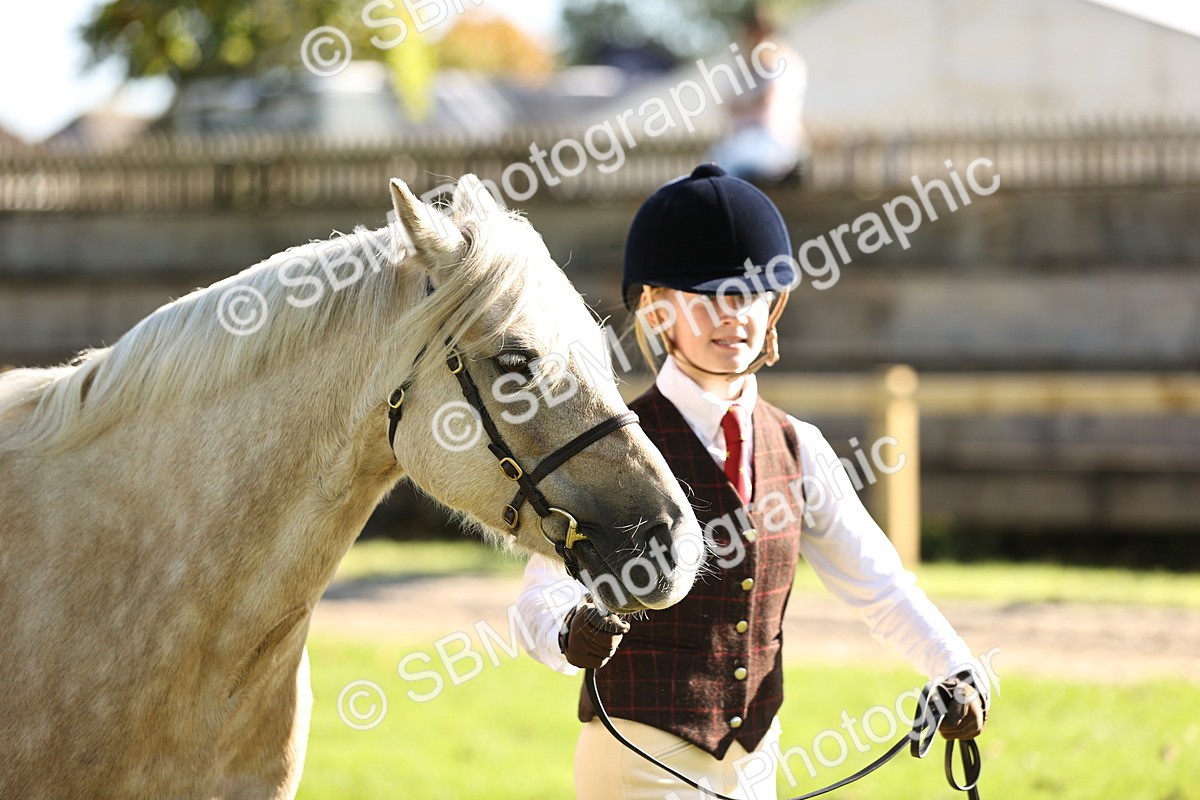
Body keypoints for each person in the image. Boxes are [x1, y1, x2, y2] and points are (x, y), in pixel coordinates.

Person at [516, 163, 988, 800]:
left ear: (776, 306)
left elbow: (880, 587)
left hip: (755, 764)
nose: (733, 314)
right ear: (657, 311)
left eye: (751, 293)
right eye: (708, 296)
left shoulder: (800, 448)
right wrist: (571, 632)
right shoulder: (613, 451)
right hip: (638, 755)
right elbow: (536, 604)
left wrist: (956, 669)